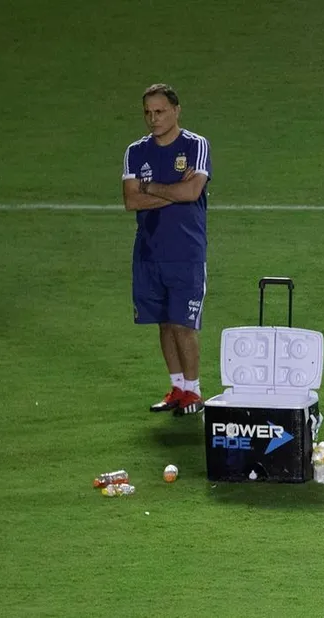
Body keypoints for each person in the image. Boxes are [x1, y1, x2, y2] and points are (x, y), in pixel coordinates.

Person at [121, 83, 211, 416]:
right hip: (148, 252)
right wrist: (174, 190)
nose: (153, 118)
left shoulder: (196, 145)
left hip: (185, 251)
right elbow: (131, 200)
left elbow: (192, 193)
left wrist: (151, 187)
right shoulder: (136, 151)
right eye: (148, 112)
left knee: (183, 324)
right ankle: (177, 387)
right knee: (163, 322)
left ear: (176, 110)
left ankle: (194, 391)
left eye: (159, 111)